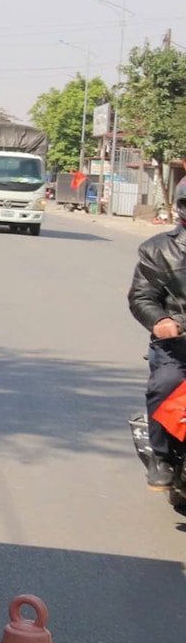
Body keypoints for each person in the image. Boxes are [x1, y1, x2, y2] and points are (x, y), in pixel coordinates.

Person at [127, 180, 186, 494]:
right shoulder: (158, 249)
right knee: (164, 384)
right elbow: (141, 298)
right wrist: (161, 320)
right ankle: (160, 457)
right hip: (177, 347)